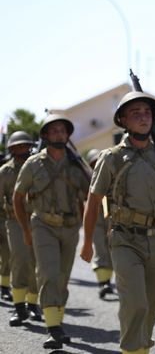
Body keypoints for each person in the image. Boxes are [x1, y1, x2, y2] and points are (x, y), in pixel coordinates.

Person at [79, 92, 155, 354]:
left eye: (147, 112)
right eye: (135, 112)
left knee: (151, 308)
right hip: (126, 239)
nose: (143, 116)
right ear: (123, 120)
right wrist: (88, 243)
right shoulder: (110, 157)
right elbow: (93, 201)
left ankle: (140, 348)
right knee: (134, 303)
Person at [13, 115, 89, 349]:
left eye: (63, 131)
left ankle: (58, 322)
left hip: (69, 227)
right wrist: (26, 230)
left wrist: (87, 233)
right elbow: (18, 197)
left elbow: (88, 197)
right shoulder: (33, 163)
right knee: (48, 274)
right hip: (42, 225)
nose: (59, 134)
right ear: (45, 136)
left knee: (63, 278)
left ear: (67, 135)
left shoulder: (77, 164)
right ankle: (52, 329)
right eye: (53, 130)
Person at [0, 131, 41, 326]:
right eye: (20, 146)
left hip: (38, 219)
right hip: (14, 220)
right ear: (13, 149)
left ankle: (32, 305)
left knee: (35, 262)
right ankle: (19, 308)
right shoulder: (5, 172)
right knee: (18, 260)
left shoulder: (38, 167)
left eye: (27, 145)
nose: (24, 149)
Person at [86, 148, 115, 299]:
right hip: (96, 219)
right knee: (100, 248)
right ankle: (101, 282)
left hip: (110, 217)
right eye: (94, 163)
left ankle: (107, 281)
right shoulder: (88, 178)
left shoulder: (113, 175)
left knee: (110, 250)